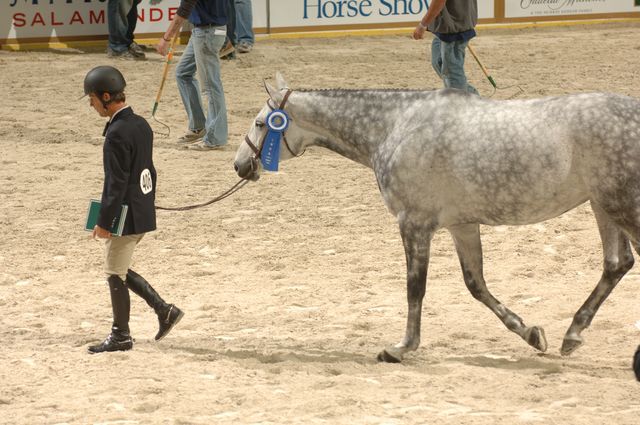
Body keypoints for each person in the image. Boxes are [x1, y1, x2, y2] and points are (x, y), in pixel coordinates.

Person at [83, 65, 183, 353]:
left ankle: (121, 335)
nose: (92, 106)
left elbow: (115, 183)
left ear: (105, 96)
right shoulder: (141, 124)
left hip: (125, 215)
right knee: (121, 268)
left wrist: (104, 221)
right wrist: (146, 201)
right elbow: (149, 171)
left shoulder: (116, 133)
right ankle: (164, 310)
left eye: (92, 100)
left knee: (114, 273)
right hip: (142, 208)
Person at [157, 0, 229, 150]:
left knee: (210, 86)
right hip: (204, 31)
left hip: (207, 32)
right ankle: (198, 126)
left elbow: (184, 10)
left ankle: (215, 138)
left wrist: (166, 38)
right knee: (183, 73)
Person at [413, 0, 478, 95]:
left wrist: (423, 24)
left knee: (452, 73)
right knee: (439, 63)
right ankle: (471, 96)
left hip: (453, 27)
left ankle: (463, 102)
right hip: (447, 25)